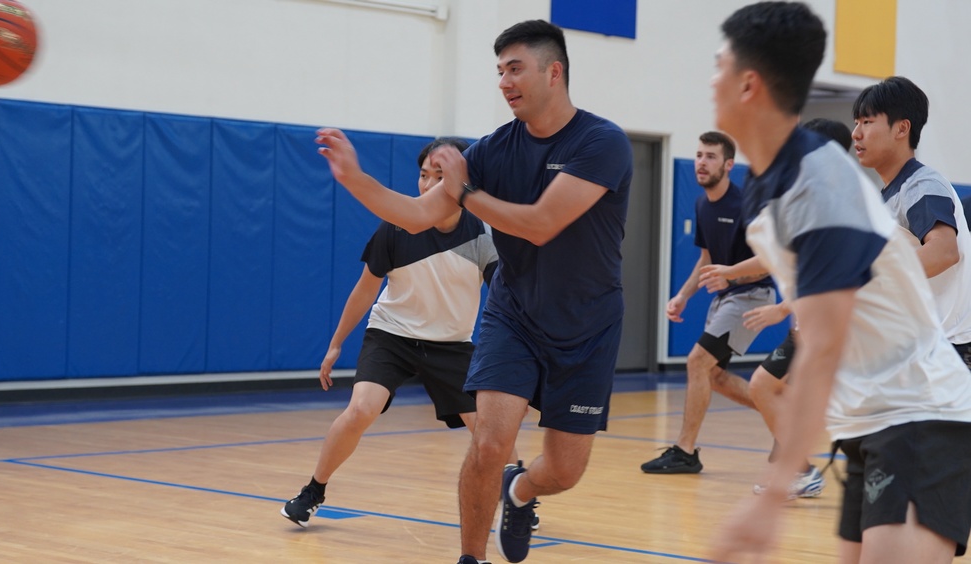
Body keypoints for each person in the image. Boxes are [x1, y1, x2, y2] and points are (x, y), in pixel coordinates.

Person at [312, 19, 632, 564]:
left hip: (588, 325)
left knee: (563, 470)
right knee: (489, 443)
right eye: (499, 71)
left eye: (516, 69)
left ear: (553, 72)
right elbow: (416, 215)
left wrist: (465, 189)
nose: (504, 81)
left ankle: (521, 491)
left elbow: (539, 223)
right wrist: (355, 179)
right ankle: (470, 558)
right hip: (514, 317)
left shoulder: (602, 143)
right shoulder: (489, 152)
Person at [707, 3, 971, 563]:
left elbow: (824, 345)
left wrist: (772, 496)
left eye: (718, 66)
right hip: (871, 420)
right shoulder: (774, 181)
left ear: (749, 83)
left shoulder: (817, 187)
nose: (711, 81)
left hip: (917, 411)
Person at [280, 137, 500, 529]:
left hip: (452, 346)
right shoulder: (398, 227)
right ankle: (314, 490)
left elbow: (505, 296)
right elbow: (366, 287)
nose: (427, 185)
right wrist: (335, 344)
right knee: (361, 408)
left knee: (490, 427)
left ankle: (517, 499)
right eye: (422, 175)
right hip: (393, 335)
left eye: (440, 175)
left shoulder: (483, 235)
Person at [699, 118, 852, 498]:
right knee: (774, 390)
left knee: (774, 389)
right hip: (807, 325)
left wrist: (782, 309)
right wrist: (731, 271)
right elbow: (777, 257)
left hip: (830, 325)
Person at [639, 131, 776, 475]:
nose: (702, 162)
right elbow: (706, 259)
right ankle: (785, 416)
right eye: (699, 155)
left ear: (729, 165)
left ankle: (685, 451)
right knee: (714, 376)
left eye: (711, 156)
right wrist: (683, 296)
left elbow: (770, 260)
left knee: (697, 361)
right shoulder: (702, 204)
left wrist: (730, 276)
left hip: (752, 295)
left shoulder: (747, 206)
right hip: (725, 297)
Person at [851, 76, 971, 370]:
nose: (856, 133)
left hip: (949, 349)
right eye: (856, 123)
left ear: (902, 128)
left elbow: (944, 251)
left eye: (867, 122)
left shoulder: (921, 185)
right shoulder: (888, 198)